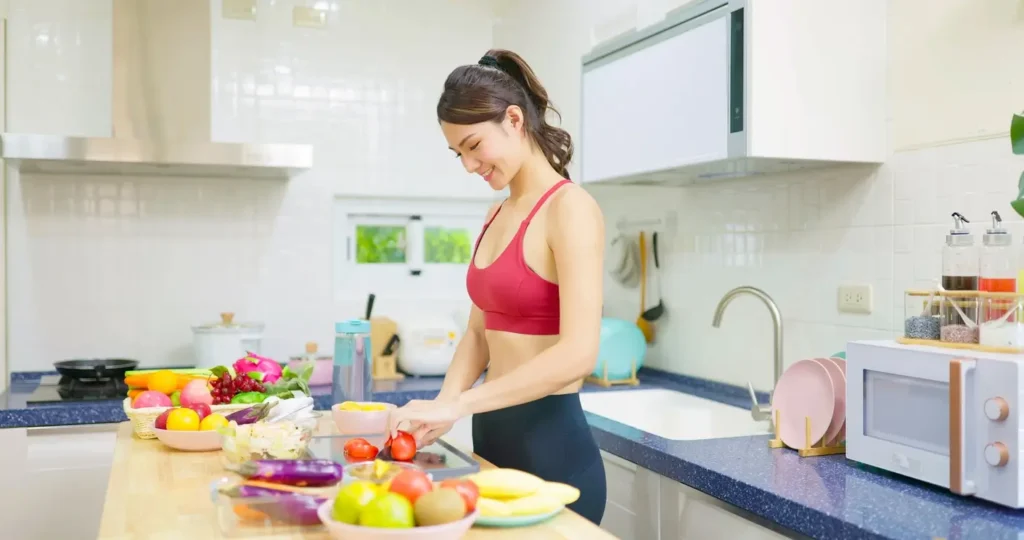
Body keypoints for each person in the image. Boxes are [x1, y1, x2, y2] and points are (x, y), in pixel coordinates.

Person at [386, 49, 607, 525]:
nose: (468, 165)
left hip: (554, 453)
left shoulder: (571, 209)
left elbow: (579, 353)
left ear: (513, 119)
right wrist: (442, 406)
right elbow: (478, 335)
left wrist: (461, 404)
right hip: (490, 448)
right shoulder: (496, 214)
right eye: (457, 154)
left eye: (472, 146)